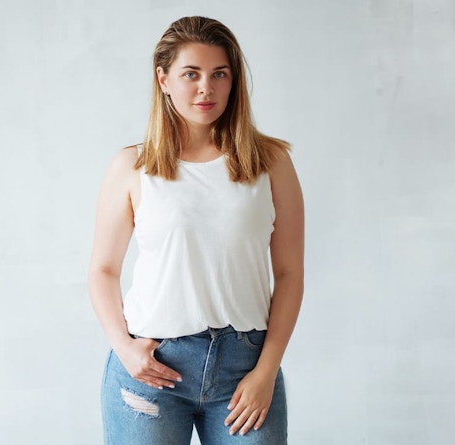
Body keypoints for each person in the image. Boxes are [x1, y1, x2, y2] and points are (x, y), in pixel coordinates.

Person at [87, 16, 305, 445]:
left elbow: (289, 274)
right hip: (152, 367)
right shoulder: (132, 166)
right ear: (163, 79)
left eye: (219, 74)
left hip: (245, 369)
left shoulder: (271, 163)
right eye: (191, 74)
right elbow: (103, 270)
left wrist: (265, 371)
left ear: (233, 81)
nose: (206, 88)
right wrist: (125, 349)